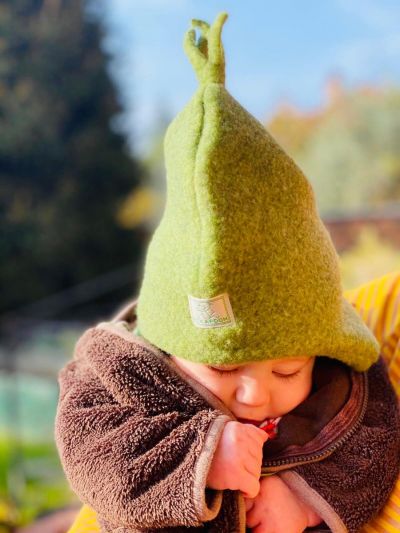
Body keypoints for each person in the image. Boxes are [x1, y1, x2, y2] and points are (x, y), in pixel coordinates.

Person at [55, 12, 400, 533]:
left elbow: (375, 442)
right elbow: (91, 448)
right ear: (171, 345)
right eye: (221, 369)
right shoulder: (126, 375)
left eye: (286, 371)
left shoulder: (340, 375)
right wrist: (201, 456)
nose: (255, 395)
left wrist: (305, 500)